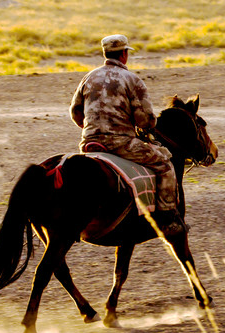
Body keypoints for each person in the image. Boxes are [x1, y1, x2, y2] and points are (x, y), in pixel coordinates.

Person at [69, 34, 184, 236]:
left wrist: (92, 127)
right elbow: (146, 120)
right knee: (165, 165)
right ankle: (167, 220)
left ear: (106, 54)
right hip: (121, 144)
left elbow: (75, 112)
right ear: (124, 54)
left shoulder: (89, 77)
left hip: (89, 143)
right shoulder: (132, 80)